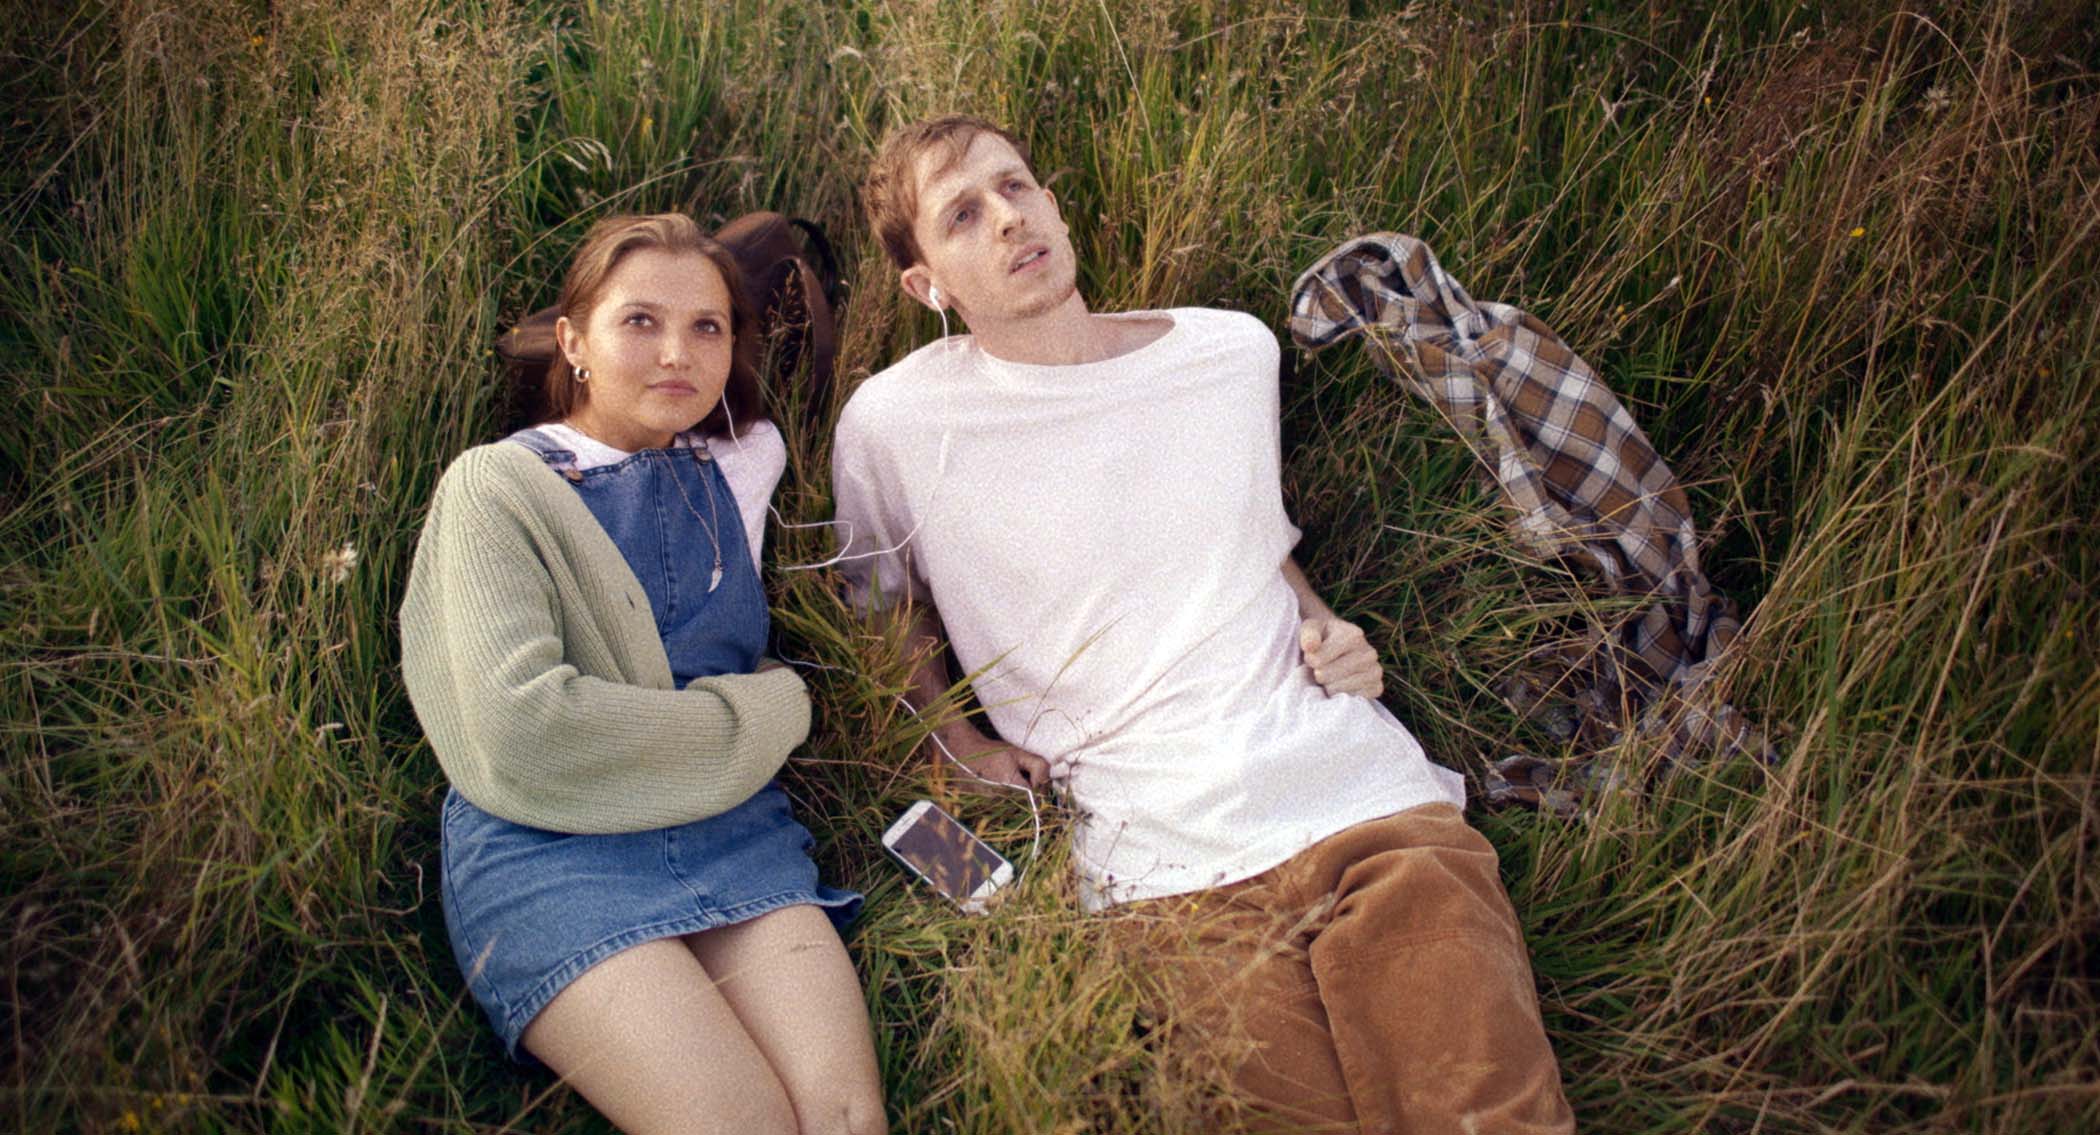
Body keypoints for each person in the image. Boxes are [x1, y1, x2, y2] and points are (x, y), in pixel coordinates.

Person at [832, 115, 1575, 1134]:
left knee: (1488, 1113)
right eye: (962, 215)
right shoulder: (894, 424)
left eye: (1016, 186)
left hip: (1357, 800)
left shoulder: (1226, 351)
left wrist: (1329, 626)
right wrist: (952, 739)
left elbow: (1251, 542)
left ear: (1054, 205)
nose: (1007, 218)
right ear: (928, 285)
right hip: (1157, 869)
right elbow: (881, 605)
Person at [399, 214, 884, 1135]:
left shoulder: (744, 463)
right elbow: (524, 731)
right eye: (639, 322)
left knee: (847, 1117)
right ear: (573, 341)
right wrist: (774, 706)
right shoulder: (495, 489)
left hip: (727, 824)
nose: (677, 353)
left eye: (708, 327)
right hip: (554, 842)